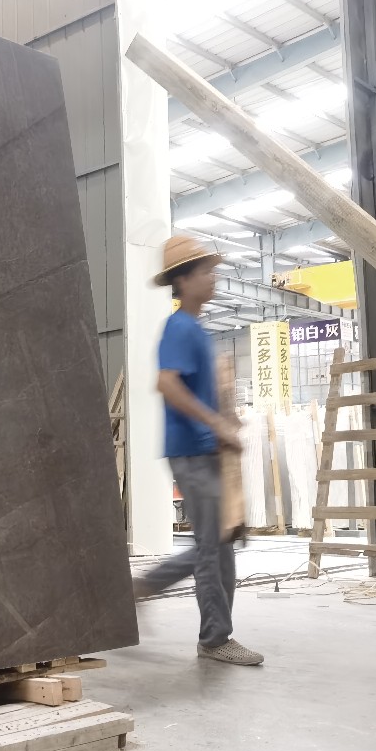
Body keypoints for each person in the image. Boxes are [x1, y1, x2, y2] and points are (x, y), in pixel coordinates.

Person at [134, 235, 262, 666]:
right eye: (205, 271)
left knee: (221, 543)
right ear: (183, 281)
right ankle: (214, 639)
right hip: (190, 451)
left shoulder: (197, 331)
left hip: (206, 451)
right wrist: (215, 423)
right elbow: (166, 383)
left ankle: (146, 588)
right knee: (212, 547)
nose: (213, 278)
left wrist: (227, 421)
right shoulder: (179, 328)